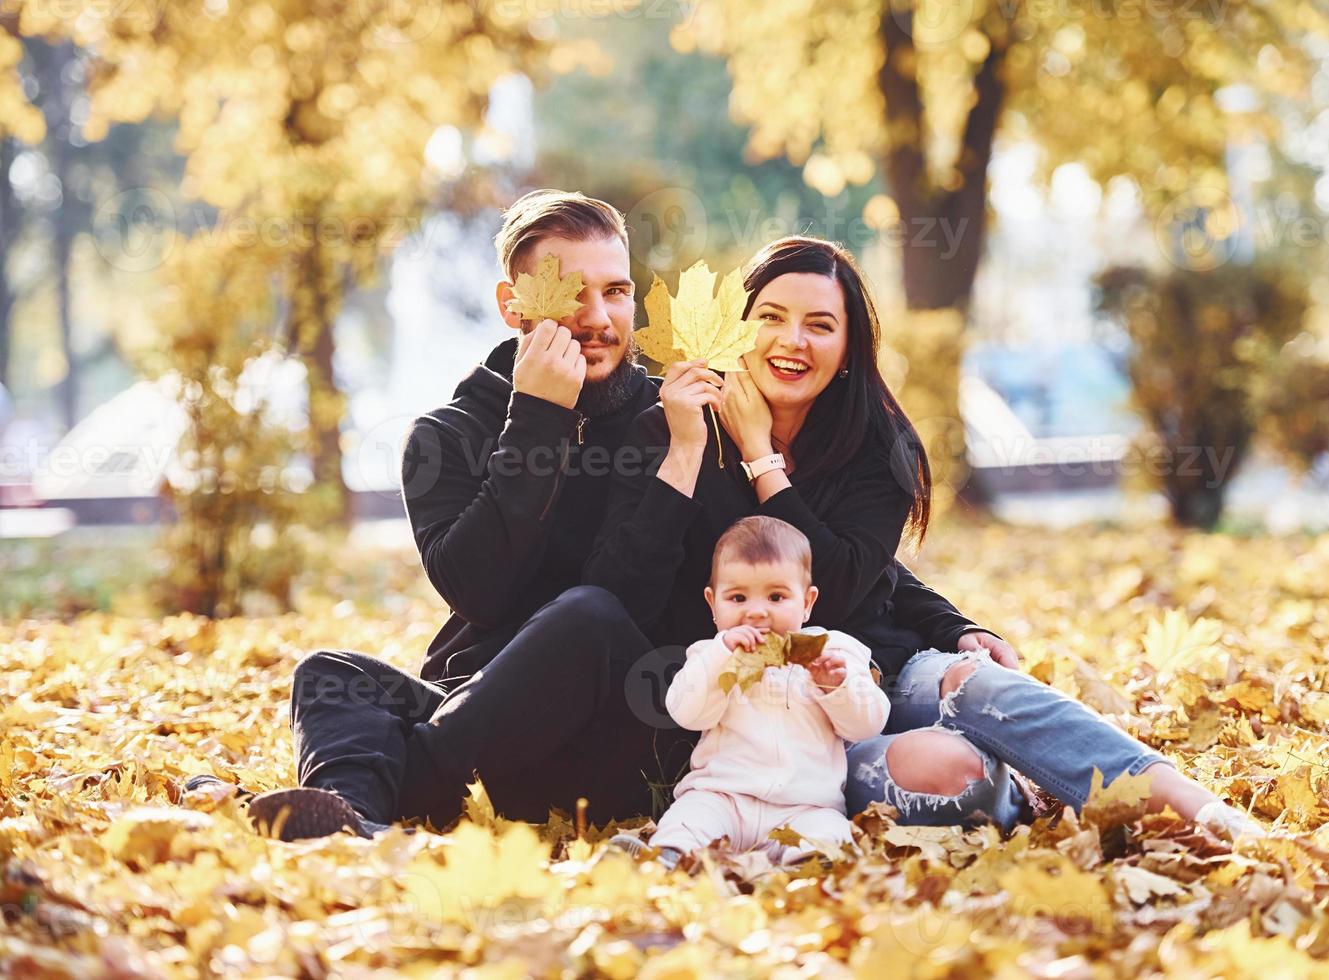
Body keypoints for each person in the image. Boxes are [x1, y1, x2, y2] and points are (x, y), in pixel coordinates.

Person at [205, 192, 997, 841]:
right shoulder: (446, 438)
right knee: (330, 674)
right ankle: (355, 821)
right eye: (568, 292)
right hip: (488, 716)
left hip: (634, 722)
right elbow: (478, 590)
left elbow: (806, 556)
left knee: (587, 613)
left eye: (614, 290)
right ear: (514, 305)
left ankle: (414, 776)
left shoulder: (679, 418)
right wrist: (538, 421)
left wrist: (950, 622)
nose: (598, 315)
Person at [586, 235, 1261, 842]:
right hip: (758, 739)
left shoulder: (878, 447)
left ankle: (1196, 807)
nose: (793, 341)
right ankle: (1018, 782)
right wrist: (704, 449)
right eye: (771, 317)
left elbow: (850, 582)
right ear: (739, 329)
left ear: (849, 349)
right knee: (950, 773)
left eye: (820, 325)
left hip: (874, 673)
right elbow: (630, 584)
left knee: (975, 679)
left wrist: (763, 458)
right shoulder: (676, 427)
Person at [614, 516, 888, 867]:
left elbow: (868, 725)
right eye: (738, 597)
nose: (756, 612)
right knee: (690, 819)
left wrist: (837, 687)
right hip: (723, 796)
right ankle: (670, 859)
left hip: (805, 805)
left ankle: (811, 867)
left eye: (776, 596)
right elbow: (685, 712)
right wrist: (721, 656)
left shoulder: (832, 652)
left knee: (829, 835)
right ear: (713, 605)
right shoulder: (709, 655)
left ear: (807, 602)